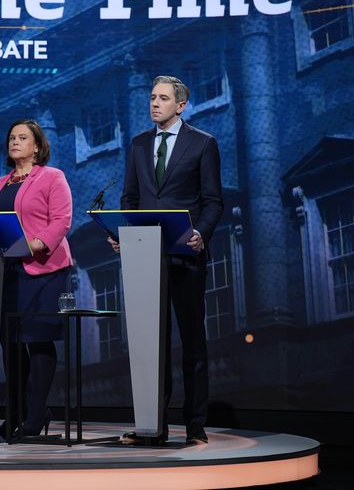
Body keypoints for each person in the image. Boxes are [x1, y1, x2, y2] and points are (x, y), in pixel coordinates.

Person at [111, 75, 223, 446]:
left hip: (185, 257)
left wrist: (201, 233)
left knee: (192, 343)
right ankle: (151, 426)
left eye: (162, 98)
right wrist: (122, 234)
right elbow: (129, 198)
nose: (154, 104)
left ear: (181, 105)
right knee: (149, 345)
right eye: (152, 97)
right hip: (146, 257)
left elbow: (213, 201)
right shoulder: (139, 145)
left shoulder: (203, 144)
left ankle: (195, 425)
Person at [0, 119, 73, 439]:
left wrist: (36, 244)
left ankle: (37, 415)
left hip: (44, 268)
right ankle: (15, 413)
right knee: (9, 345)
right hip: (8, 271)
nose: (15, 142)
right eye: (11, 137)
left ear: (37, 146)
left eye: (22, 137)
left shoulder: (53, 177)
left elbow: (62, 219)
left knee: (38, 339)